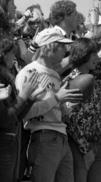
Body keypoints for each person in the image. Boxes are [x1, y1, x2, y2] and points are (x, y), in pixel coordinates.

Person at [15, 27, 83, 182]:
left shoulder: (54, 74)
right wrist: (57, 99)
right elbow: (24, 114)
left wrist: (66, 107)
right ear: (49, 47)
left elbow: (55, 107)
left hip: (61, 137)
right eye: (61, 46)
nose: (65, 51)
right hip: (43, 137)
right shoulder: (28, 73)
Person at [63, 37, 101, 182]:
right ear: (84, 55)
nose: (97, 58)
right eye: (94, 54)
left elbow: (100, 111)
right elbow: (69, 118)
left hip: (98, 144)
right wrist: (85, 149)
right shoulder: (70, 81)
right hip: (79, 148)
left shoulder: (92, 79)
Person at [0, 37, 39, 182]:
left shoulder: (7, 77)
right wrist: (23, 96)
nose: (15, 57)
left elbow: (16, 116)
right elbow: (5, 119)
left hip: (11, 140)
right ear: (3, 54)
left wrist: (29, 98)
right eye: (12, 53)